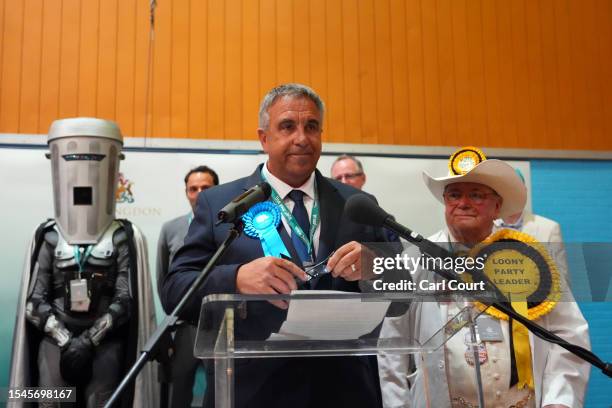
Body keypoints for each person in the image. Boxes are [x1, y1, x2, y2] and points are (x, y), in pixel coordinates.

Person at [161, 83, 393, 408]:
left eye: (311, 126)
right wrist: (236, 278)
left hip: (346, 389)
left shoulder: (358, 204)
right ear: (263, 138)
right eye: (287, 126)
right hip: (251, 390)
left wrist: (376, 265)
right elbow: (175, 290)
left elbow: (405, 291)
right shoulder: (219, 204)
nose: (302, 138)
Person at [378, 147, 591, 408]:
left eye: (476, 195)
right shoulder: (414, 260)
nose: (463, 203)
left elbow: (569, 333)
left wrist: (560, 401)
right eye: (454, 195)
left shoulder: (528, 257)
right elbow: (392, 347)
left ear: (497, 206)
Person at [9, 118, 158, 407]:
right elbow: (34, 301)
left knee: (102, 402)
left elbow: (126, 300)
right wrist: (66, 340)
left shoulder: (124, 236)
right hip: (55, 344)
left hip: (104, 346)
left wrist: (89, 341)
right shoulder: (48, 236)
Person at [156, 165, 219, 408]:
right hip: (184, 327)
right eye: (193, 189)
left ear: (216, 191)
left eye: (206, 188)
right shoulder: (170, 229)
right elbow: (164, 279)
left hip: (218, 323)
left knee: (219, 392)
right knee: (179, 393)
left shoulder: (231, 228)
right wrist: (175, 316)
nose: (199, 193)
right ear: (186, 193)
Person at [494, 168, 569, 283]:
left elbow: (561, 281)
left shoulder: (549, 228)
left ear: (525, 191)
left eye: (516, 189)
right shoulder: (483, 229)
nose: (511, 194)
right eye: (506, 189)